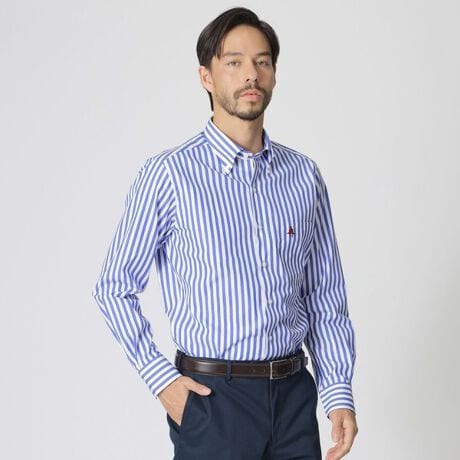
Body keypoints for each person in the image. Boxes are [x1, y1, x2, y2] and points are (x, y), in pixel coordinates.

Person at [92, 6, 358, 460]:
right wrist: (163, 382)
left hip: (294, 399)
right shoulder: (169, 175)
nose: (250, 74)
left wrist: (337, 391)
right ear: (207, 77)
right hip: (214, 400)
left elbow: (325, 295)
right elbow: (113, 288)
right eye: (234, 62)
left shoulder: (303, 176)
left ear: (274, 74)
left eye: (262, 61)